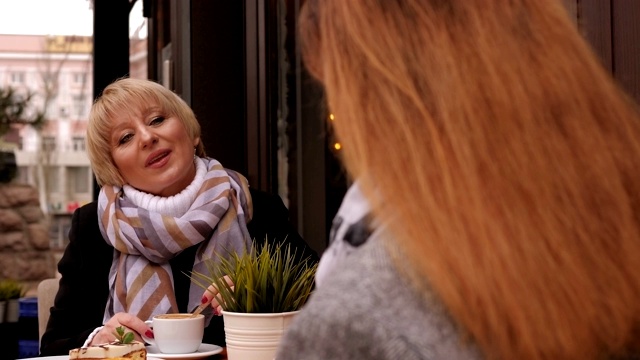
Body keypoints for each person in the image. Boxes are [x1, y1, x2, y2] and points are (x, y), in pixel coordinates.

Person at [276, 0, 640, 359]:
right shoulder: (610, 229)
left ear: (376, 101)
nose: (334, 120)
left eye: (335, 95)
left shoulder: (352, 324)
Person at [39, 77, 318, 355]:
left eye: (157, 120)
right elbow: (53, 346)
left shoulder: (256, 209)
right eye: (125, 138)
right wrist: (100, 339)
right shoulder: (93, 227)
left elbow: (325, 299)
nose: (147, 137)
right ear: (114, 170)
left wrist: (258, 299)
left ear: (192, 132)